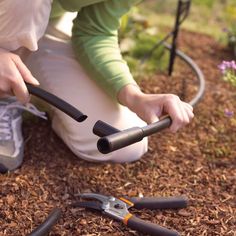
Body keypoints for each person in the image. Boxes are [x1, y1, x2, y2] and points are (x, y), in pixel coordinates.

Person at [0, 0, 194, 172]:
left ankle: (22, 78)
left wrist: (134, 97)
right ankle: (4, 96)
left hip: (43, 23)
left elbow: (95, 32)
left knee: (126, 145)